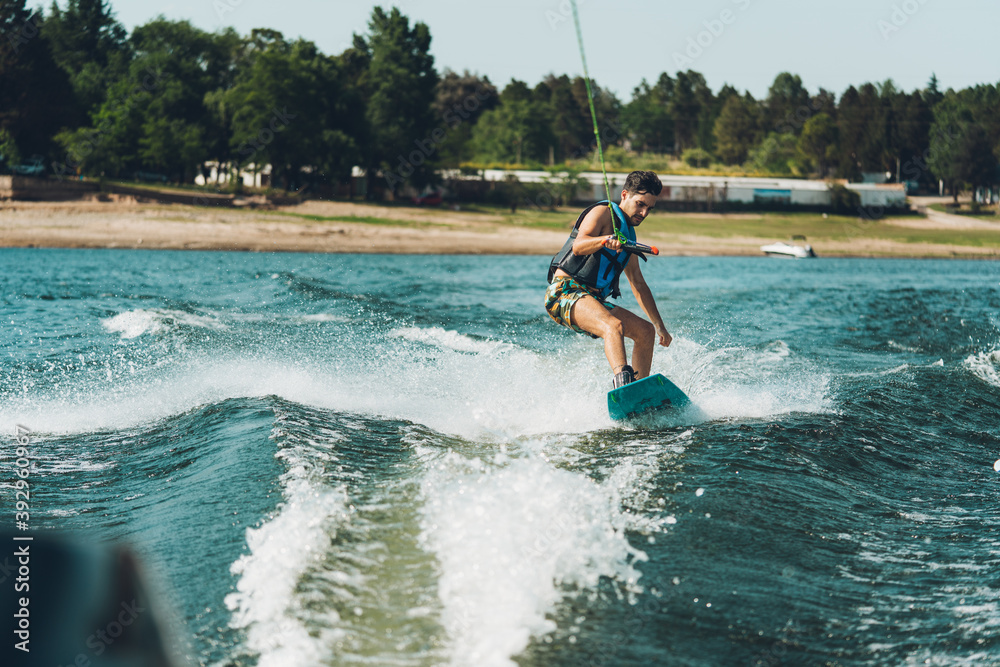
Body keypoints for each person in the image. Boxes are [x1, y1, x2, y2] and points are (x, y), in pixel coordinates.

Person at [545, 170, 673, 388]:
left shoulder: (629, 235)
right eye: (640, 204)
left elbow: (638, 283)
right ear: (624, 195)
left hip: (592, 300)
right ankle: (623, 383)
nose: (643, 213)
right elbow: (578, 246)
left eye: (649, 208)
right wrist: (605, 240)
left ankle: (638, 391)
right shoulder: (603, 213)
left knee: (645, 332)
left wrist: (659, 326)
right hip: (564, 293)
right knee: (613, 326)